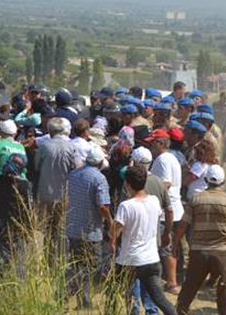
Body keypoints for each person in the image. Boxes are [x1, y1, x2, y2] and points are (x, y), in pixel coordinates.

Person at [107, 165, 177, 315]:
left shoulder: (126, 206)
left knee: (114, 296)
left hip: (129, 260)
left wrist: (112, 241)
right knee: (160, 299)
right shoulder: (154, 201)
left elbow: (114, 232)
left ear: (128, 184)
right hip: (151, 259)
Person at [174, 165, 226, 315]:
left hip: (199, 251)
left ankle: (180, 312)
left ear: (205, 180)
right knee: (225, 293)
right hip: (224, 253)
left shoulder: (195, 199)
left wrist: (174, 245)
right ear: (223, 181)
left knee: (189, 289)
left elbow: (183, 225)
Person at [65, 147, 113, 309]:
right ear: (100, 163)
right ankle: (69, 294)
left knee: (77, 264)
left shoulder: (73, 174)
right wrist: (110, 222)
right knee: (92, 266)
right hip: (91, 232)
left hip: (72, 227)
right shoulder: (99, 179)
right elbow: (103, 207)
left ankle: (81, 300)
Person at [145, 129, 183, 293]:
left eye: (152, 142)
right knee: (168, 247)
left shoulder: (162, 160)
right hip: (171, 209)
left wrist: (148, 193)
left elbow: (166, 183)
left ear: (160, 143)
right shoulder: (169, 157)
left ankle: (172, 282)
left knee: (165, 248)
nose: (150, 146)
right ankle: (170, 280)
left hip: (164, 211)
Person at [36, 117, 76, 262]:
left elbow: (36, 166)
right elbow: (75, 168)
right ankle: (58, 258)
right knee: (60, 229)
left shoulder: (44, 146)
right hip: (64, 194)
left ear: (50, 131)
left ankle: (44, 258)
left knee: (43, 228)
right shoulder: (71, 147)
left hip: (45, 192)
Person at [0, 154, 32, 283]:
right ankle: (6, 287)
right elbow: (28, 209)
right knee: (15, 261)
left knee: (8, 260)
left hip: (7, 227)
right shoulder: (24, 185)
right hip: (9, 227)